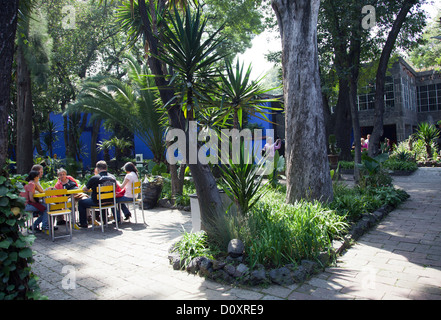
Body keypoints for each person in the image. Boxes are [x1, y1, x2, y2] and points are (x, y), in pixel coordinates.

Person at [77, 161, 120, 228]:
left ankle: (83, 223)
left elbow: (85, 189)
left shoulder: (94, 178)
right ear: (106, 167)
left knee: (81, 202)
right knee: (103, 199)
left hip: (98, 202)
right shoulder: (112, 178)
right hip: (111, 201)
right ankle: (104, 220)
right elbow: (116, 187)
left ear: (97, 168)